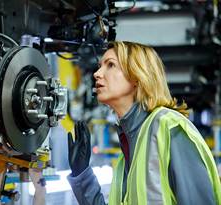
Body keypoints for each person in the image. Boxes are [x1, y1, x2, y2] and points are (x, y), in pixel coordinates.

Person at [67, 41, 221, 205]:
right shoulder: (126, 156)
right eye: (99, 66)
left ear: (137, 77)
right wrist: (82, 174)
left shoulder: (169, 128)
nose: (97, 73)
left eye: (110, 65)